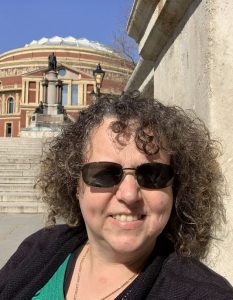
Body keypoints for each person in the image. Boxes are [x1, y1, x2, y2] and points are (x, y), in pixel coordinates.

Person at [0, 91, 233, 300]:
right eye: (105, 174)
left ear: (176, 188)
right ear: (75, 184)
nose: (129, 195)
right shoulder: (39, 247)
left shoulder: (205, 294)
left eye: (152, 175)